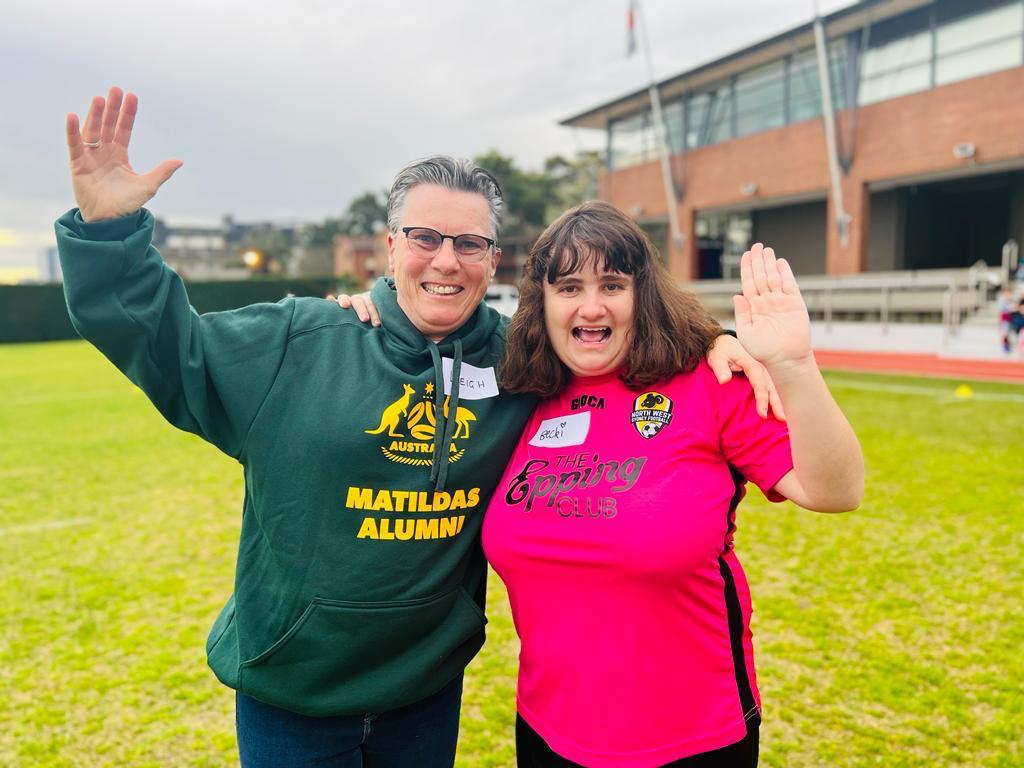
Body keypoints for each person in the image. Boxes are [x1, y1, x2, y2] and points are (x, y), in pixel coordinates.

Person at [57, 87, 777, 767]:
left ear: (493, 259)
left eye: (470, 244)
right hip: (295, 697)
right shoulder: (299, 340)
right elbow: (162, 343)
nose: (446, 260)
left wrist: (709, 340)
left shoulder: (520, 359)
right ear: (391, 245)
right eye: (425, 237)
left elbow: (612, 336)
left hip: (425, 694)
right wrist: (110, 235)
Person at [482, 202, 863, 767]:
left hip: (692, 738)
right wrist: (367, 307)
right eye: (568, 286)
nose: (591, 306)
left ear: (644, 294)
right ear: (542, 302)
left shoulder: (710, 384)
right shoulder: (520, 394)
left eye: (613, 283)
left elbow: (834, 491)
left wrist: (795, 364)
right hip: (546, 730)